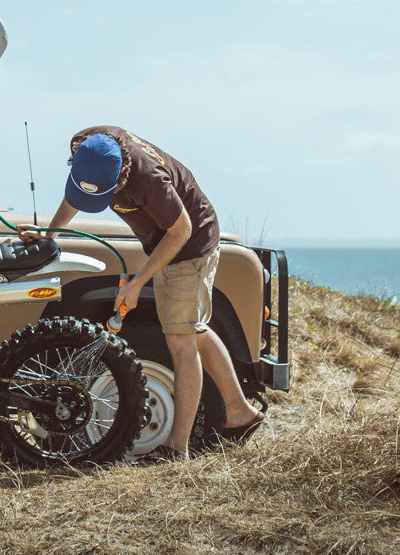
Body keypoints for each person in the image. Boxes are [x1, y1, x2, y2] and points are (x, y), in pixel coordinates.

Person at [22, 126, 264, 461]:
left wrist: (137, 283)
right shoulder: (89, 146)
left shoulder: (149, 179)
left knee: (180, 340)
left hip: (188, 246)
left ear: (122, 174)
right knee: (190, 328)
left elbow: (181, 229)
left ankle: (177, 449)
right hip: (161, 242)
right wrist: (49, 234)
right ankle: (241, 413)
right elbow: (77, 191)